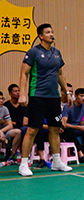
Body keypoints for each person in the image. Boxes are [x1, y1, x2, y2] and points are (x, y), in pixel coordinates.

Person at [17, 23, 72, 176]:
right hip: (38, 96)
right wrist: (23, 93)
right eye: (47, 32)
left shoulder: (57, 53)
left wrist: (67, 92)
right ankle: (23, 164)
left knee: (55, 129)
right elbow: (24, 74)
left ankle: (56, 161)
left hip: (54, 97)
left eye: (52, 32)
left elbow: (60, 74)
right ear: (41, 36)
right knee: (32, 129)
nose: (51, 34)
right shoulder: (33, 52)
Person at [4, 84, 27, 163]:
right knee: (18, 132)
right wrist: (11, 122)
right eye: (15, 91)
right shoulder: (6, 105)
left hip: (21, 127)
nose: (18, 93)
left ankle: (23, 154)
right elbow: (3, 120)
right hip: (10, 128)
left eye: (19, 91)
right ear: (10, 93)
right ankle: (11, 154)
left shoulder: (23, 106)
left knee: (25, 130)